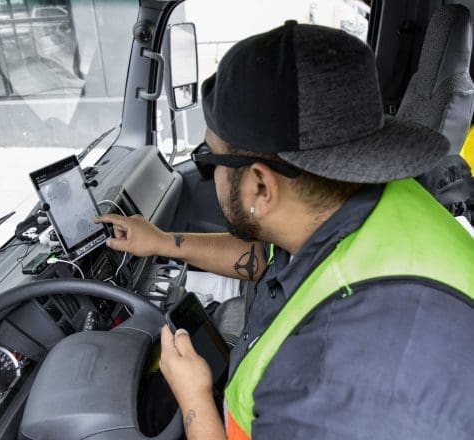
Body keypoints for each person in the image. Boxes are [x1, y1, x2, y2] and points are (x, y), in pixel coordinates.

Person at [95, 21, 474, 439]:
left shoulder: (330, 383)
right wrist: (164, 243)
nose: (208, 172)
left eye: (209, 159)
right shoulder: (358, 204)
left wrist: (195, 398)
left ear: (260, 185)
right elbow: (268, 261)